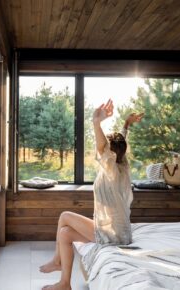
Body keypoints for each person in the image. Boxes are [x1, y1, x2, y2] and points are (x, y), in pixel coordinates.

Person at [39, 99, 144, 290]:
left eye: (105, 149)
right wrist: (126, 124)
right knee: (65, 234)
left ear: (110, 153)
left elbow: (104, 147)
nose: (100, 150)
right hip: (120, 232)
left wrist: (96, 122)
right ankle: (64, 283)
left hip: (112, 234)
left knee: (64, 216)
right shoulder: (122, 164)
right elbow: (121, 142)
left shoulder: (110, 167)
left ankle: (57, 262)